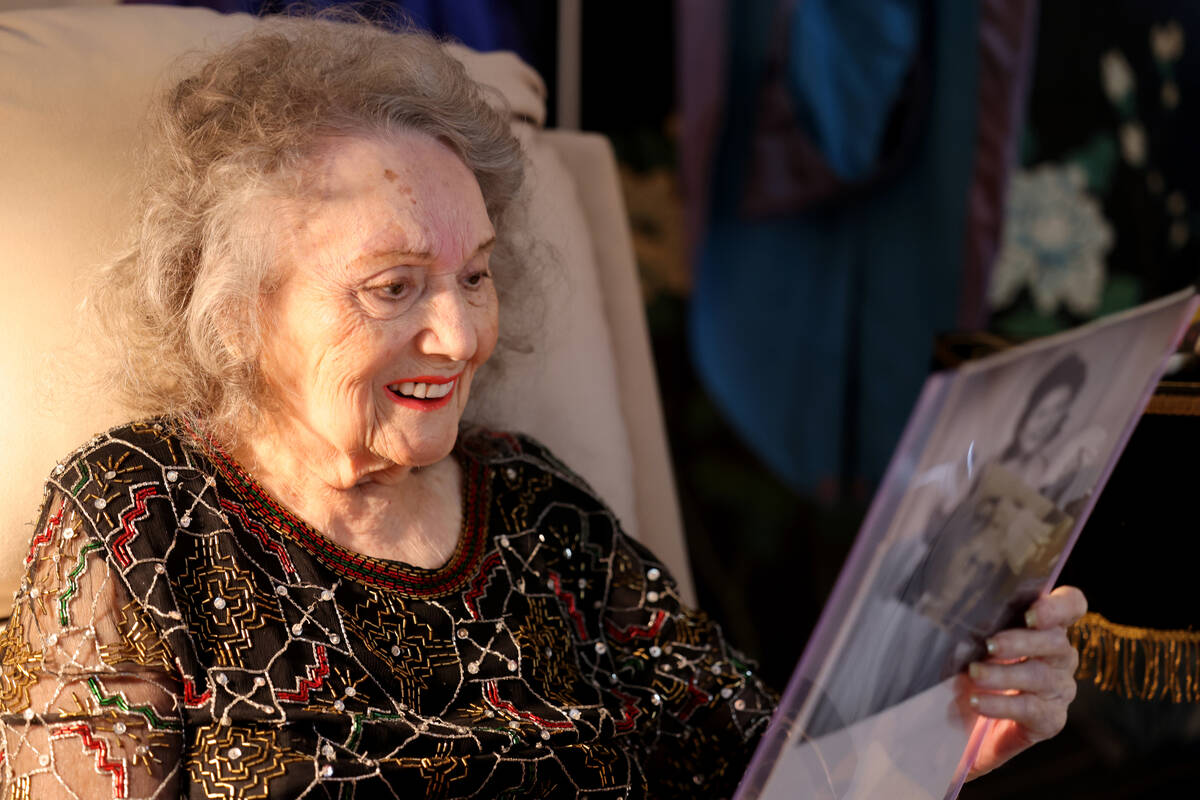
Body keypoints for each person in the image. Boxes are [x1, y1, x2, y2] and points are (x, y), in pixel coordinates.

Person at [0, 16, 1085, 799]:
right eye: (394, 287)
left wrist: (948, 734)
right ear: (240, 307)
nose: (464, 334)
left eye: (475, 274)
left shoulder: (540, 509)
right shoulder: (142, 517)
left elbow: (777, 769)